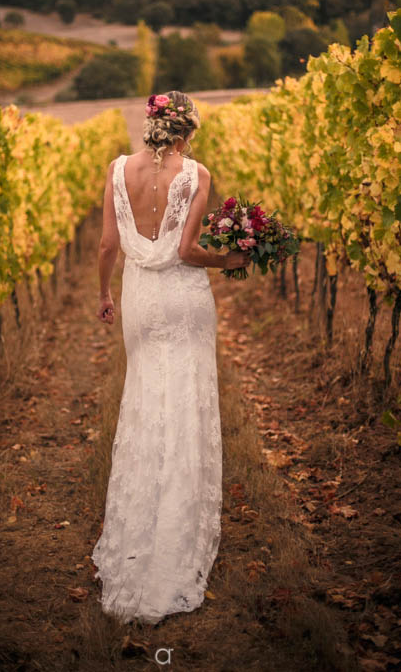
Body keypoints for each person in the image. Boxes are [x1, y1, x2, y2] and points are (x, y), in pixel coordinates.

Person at [91, 90, 249, 624]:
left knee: (143, 399)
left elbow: (108, 246)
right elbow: (186, 251)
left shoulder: (117, 170)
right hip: (182, 299)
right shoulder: (197, 175)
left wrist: (104, 294)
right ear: (187, 132)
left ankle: (137, 530)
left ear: (151, 125)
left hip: (140, 299)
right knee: (183, 402)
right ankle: (176, 533)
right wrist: (228, 259)